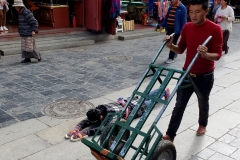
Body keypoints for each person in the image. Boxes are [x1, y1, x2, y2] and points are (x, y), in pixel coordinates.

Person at [162, 0, 223, 142]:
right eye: (191, 12)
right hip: (187, 73)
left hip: (205, 76)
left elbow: (218, 55)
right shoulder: (187, 27)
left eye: (197, 12)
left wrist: (206, 55)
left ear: (206, 12)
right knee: (179, 105)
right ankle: (170, 135)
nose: (193, 15)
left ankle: (202, 124)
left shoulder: (215, 29)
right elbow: (181, 49)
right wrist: (171, 46)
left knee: (203, 102)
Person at [65, 88, 171, 142]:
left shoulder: (111, 115)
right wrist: (77, 128)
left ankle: (164, 92)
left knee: (149, 101)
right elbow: (87, 120)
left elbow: (104, 128)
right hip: (128, 101)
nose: (92, 122)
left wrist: (86, 132)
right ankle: (163, 89)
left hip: (136, 108)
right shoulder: (99, 109)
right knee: (144, 96)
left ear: (101, 117)